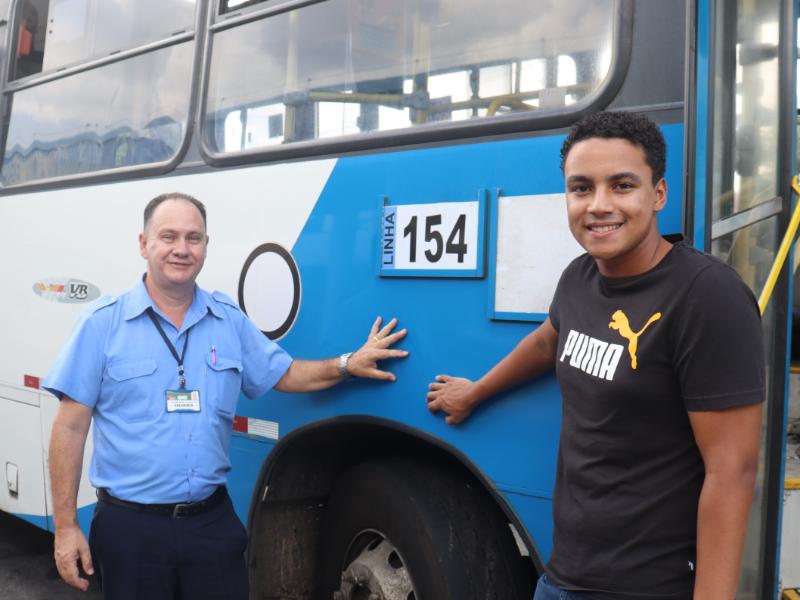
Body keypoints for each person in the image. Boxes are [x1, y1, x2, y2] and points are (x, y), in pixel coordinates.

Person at [426, 111, 764, 600]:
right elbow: (549, 339)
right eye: (581, 188)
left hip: (648, 587)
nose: (599, 205)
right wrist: (476, 392)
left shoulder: (707, 297)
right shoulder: (581, 275)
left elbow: (732, 472)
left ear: (659, 195)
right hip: (563, 576)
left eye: (622, 185)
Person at [44, 192, 408, 600]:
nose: (182, 249)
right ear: (144, 245)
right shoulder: (101, 326)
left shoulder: (227, 319)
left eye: (194, 238)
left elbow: (285, 373)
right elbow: (70, 429)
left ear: (205, 247)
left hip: (211, 525)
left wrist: (346, 364)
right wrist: (66, 526)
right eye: (168, 237)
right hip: (131, 531)